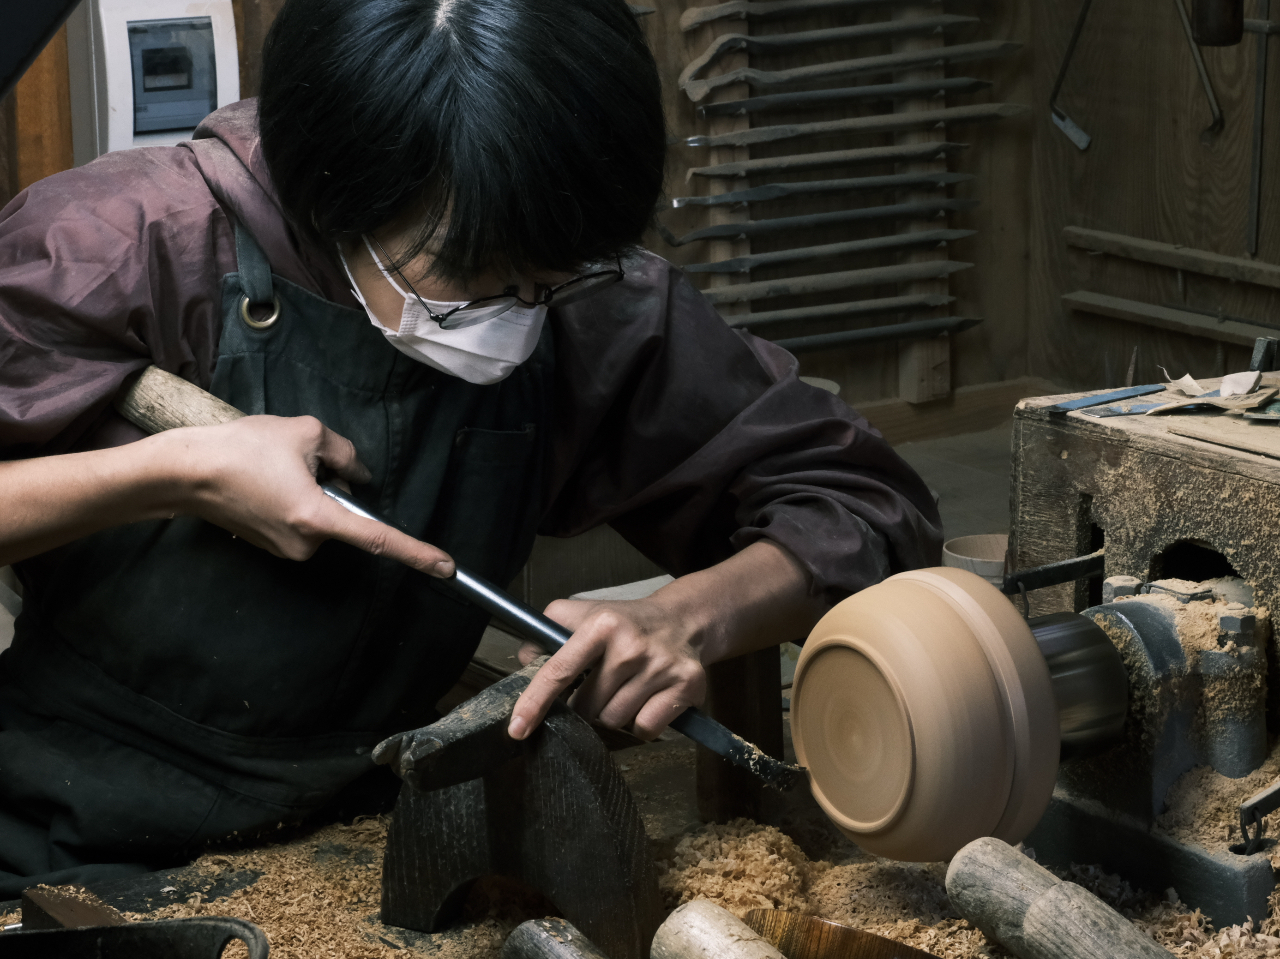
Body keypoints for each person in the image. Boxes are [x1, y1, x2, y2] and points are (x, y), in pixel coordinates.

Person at [0, 0, 941, 896]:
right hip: (66, 835)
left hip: (382, 838)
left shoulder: (587, 297)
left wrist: (690, 617)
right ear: (345, 187)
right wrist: (171, 473)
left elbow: (867, 503)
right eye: (465, 281)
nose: (513, 320)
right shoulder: (125, 247)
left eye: (543, 283)